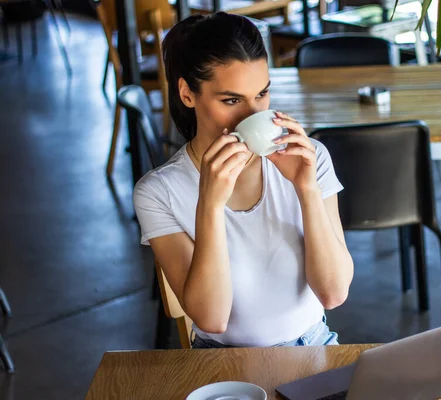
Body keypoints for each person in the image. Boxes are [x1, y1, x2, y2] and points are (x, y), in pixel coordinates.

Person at [133, 12, 354, 349]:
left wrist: (306, 190)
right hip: (221, 360)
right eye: (232, 100)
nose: (253, 116)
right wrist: (209, 204)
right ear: (188, 94)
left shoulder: (310, 158)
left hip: (314, 345)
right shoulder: (158, 192)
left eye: (261, 94)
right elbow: (211, 319)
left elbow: (333, 293)